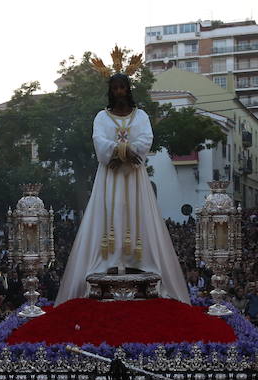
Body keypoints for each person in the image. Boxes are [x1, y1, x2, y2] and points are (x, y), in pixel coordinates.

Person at [55, 68, 189, 304]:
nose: (119, 91)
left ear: (128, 89)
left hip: (134, 174)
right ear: (111, 90)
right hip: (110, 174)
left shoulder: (141, 116)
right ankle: (111, 261)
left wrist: (124, 152)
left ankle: (136, 260)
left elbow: (146, 138)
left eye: (122, 87)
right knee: (111, 208)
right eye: (115, 88)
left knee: (136, 211)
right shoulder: (101, 116)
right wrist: (119, 152)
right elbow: (99, 139)